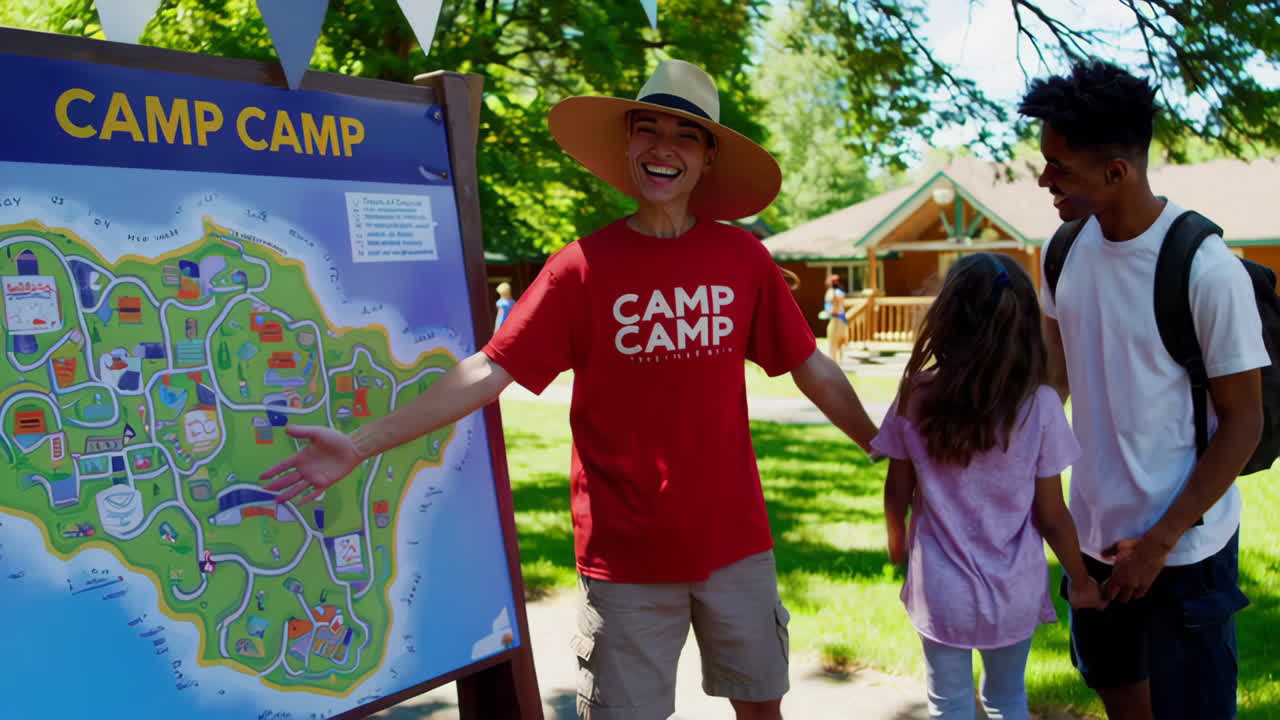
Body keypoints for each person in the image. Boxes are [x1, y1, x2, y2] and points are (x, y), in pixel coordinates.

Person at [259, 58, 879, 720]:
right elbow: (488, 369)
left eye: (686, 135)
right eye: (649, 129)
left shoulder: (743, 260)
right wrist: (360, 443)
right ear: (627, 146)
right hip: (625, 559)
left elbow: (808, 362)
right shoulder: (580, 268)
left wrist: (881, 444)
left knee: (761, 708)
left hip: (736, 548)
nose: (663, 147)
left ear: (706, 160)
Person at [1021, 60, 1266, 719]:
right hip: (1093, 544)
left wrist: (1158, 543)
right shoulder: (1062, 251)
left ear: (1116, 172)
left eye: (1058, 167)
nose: (1043, 178)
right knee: (1122, 701)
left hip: (1185, 549)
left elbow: (1244, 422)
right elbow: (1053, 381)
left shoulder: (1207, 270)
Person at [872, 252, 1105, 720]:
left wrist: (897, 540)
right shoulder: (1039, 405)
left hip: (939, 591)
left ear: (947, 319)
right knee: (1006, 700)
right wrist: (1081, 581)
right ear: (1022, 329)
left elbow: (896, 490)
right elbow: (1052, 514)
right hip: (1013, 590)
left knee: (949, 704)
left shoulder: (917, 394)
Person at [821, 274, 848, 366]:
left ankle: (838, 363)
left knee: (837, 343)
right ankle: (835, 363)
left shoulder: (834, 292)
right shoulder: (835, 292)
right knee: (836, 343)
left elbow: (835, 305)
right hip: (837, 318)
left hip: (838, 319)